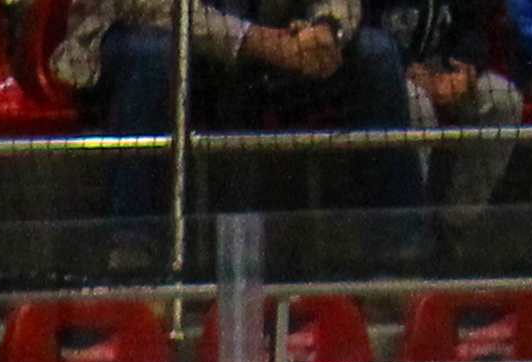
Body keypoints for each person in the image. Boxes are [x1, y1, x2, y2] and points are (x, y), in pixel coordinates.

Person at [51, 0, 421, 258]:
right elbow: (150, 7)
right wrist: (251, 40)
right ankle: (133, 249)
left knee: (375, 54)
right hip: (142, 36)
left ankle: (403, 253)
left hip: (267, 49)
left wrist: (326, 28)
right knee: (155, 57)